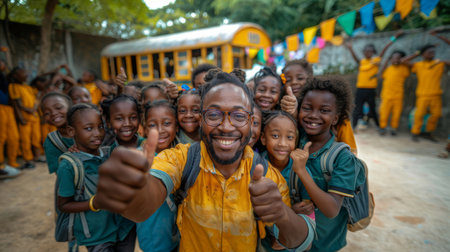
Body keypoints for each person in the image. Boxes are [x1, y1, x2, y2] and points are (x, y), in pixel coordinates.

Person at [93, 72, 315, 251]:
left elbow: (300, 242)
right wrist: (133, 190)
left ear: (251, 122)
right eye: (214, 115)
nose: (226, 127)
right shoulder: (180, 158)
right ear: (201, 119)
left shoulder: (266, 174)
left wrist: (281, 213)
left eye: (238, 116)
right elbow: (144, 205)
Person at [291, 78, 365, 251]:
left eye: (324, 110)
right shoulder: (292, 141)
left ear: (335, 118)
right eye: (307, 108)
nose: (313, 115)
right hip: (294, 240)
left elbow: (332, 209)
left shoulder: (343, 158)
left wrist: (302, 171)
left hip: (324, 243)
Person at [57, 103, 136, 250]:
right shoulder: (69, 166)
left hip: (124, 228)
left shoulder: (110, 153)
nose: (97, 133)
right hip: (96, 235)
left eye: (100, 127)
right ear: (71, 131)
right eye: (88, 128)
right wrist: (94, 203)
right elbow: (63, 205)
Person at [280, 59, 358, 154]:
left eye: (300, 78)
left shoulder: (339, 115)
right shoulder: (284, 107)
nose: (294, 82)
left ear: (310, 78)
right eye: (288, 80)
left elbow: (352, 152)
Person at [137, 100, 180, 252]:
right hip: (154, 241)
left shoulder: (181, 154)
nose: (160, 130)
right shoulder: (139, 157)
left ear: (177, 126)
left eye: (167, 123)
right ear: (144, 129)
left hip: (179, 237)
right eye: (153, 125)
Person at [345, 31, 403, 129]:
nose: (369, 53)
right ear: (364, 52)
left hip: (371, 90)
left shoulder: (376, 60)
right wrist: (350, 49)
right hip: (360, 89)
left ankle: (378, 126)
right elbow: (356, 59)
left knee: (372, 109)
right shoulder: (362, 62)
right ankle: (354, 126)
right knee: (357, 108)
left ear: (374, 52)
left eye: (371, 51)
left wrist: (393, 38)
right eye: (367, 51)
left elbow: (384, 49)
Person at [402, 44, 449, 142]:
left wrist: (442, 61)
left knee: (436, 115)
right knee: (419, 115)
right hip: (422, 95)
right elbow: (404, 61)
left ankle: (428, 133)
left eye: (433, 52)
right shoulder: (418, 65)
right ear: (423, 54)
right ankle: (415, 132)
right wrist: (418, 53)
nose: (432, 54)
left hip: (436, 95)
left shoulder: (439, 64)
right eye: (429, 52)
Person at [8, 67, 41, 169]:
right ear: (15, 76)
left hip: (34, 117)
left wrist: (34, 107)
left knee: (36, 137)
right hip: (25, 118)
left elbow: (36, 98)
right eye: (23, 73)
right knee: (25, 139)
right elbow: (17, 104)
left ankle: (37, 156)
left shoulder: (27, 87)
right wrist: (22, 116)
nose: (26, 74)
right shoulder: (13, 86)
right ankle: (28, 159)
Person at [378, 50, 410, 136]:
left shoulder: (404, 69)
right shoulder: (388, 69)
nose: (395, 60)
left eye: (398, 58)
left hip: (398, 96)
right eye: (393, 58)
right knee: (384, 113)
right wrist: (386, 61)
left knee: (396, 113)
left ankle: (393, 128)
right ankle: (382, 127)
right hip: (386, 95)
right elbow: (381, 74)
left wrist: (403, 61)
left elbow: (409, 64)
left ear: (401, 59)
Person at [0, 59, 21, 178]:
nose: (3, 65)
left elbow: (10, 73)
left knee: (14, 136)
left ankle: (12, 161)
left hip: (8, 109)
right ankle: (1, 165)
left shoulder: (6, 79)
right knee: (1, 137)